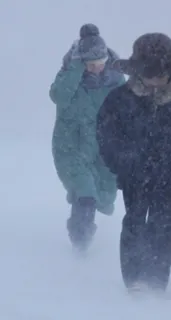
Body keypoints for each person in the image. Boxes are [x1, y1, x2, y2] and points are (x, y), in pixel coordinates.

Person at [96, 33, 171, 292]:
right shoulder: (120, 99)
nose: (155, 82)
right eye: (149, 75)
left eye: (160, 76)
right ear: (137, 73)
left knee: (166, 227)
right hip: (134, 175)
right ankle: (134, 281)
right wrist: (120, 164)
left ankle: (157, 280)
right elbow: (106, 134)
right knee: (135, 224)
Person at [49, 23, 125, 252]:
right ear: (81, 62)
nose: (95, 69)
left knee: (102, 192)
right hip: (71, 147)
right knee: (85, 193)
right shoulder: (69, 78)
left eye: (99, 64)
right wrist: (74, 69)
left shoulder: (115, 80)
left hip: (102, 148)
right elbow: (58, 96)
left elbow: (126, 108)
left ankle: (81, 233)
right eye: (90, 64)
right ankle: (80, 245)